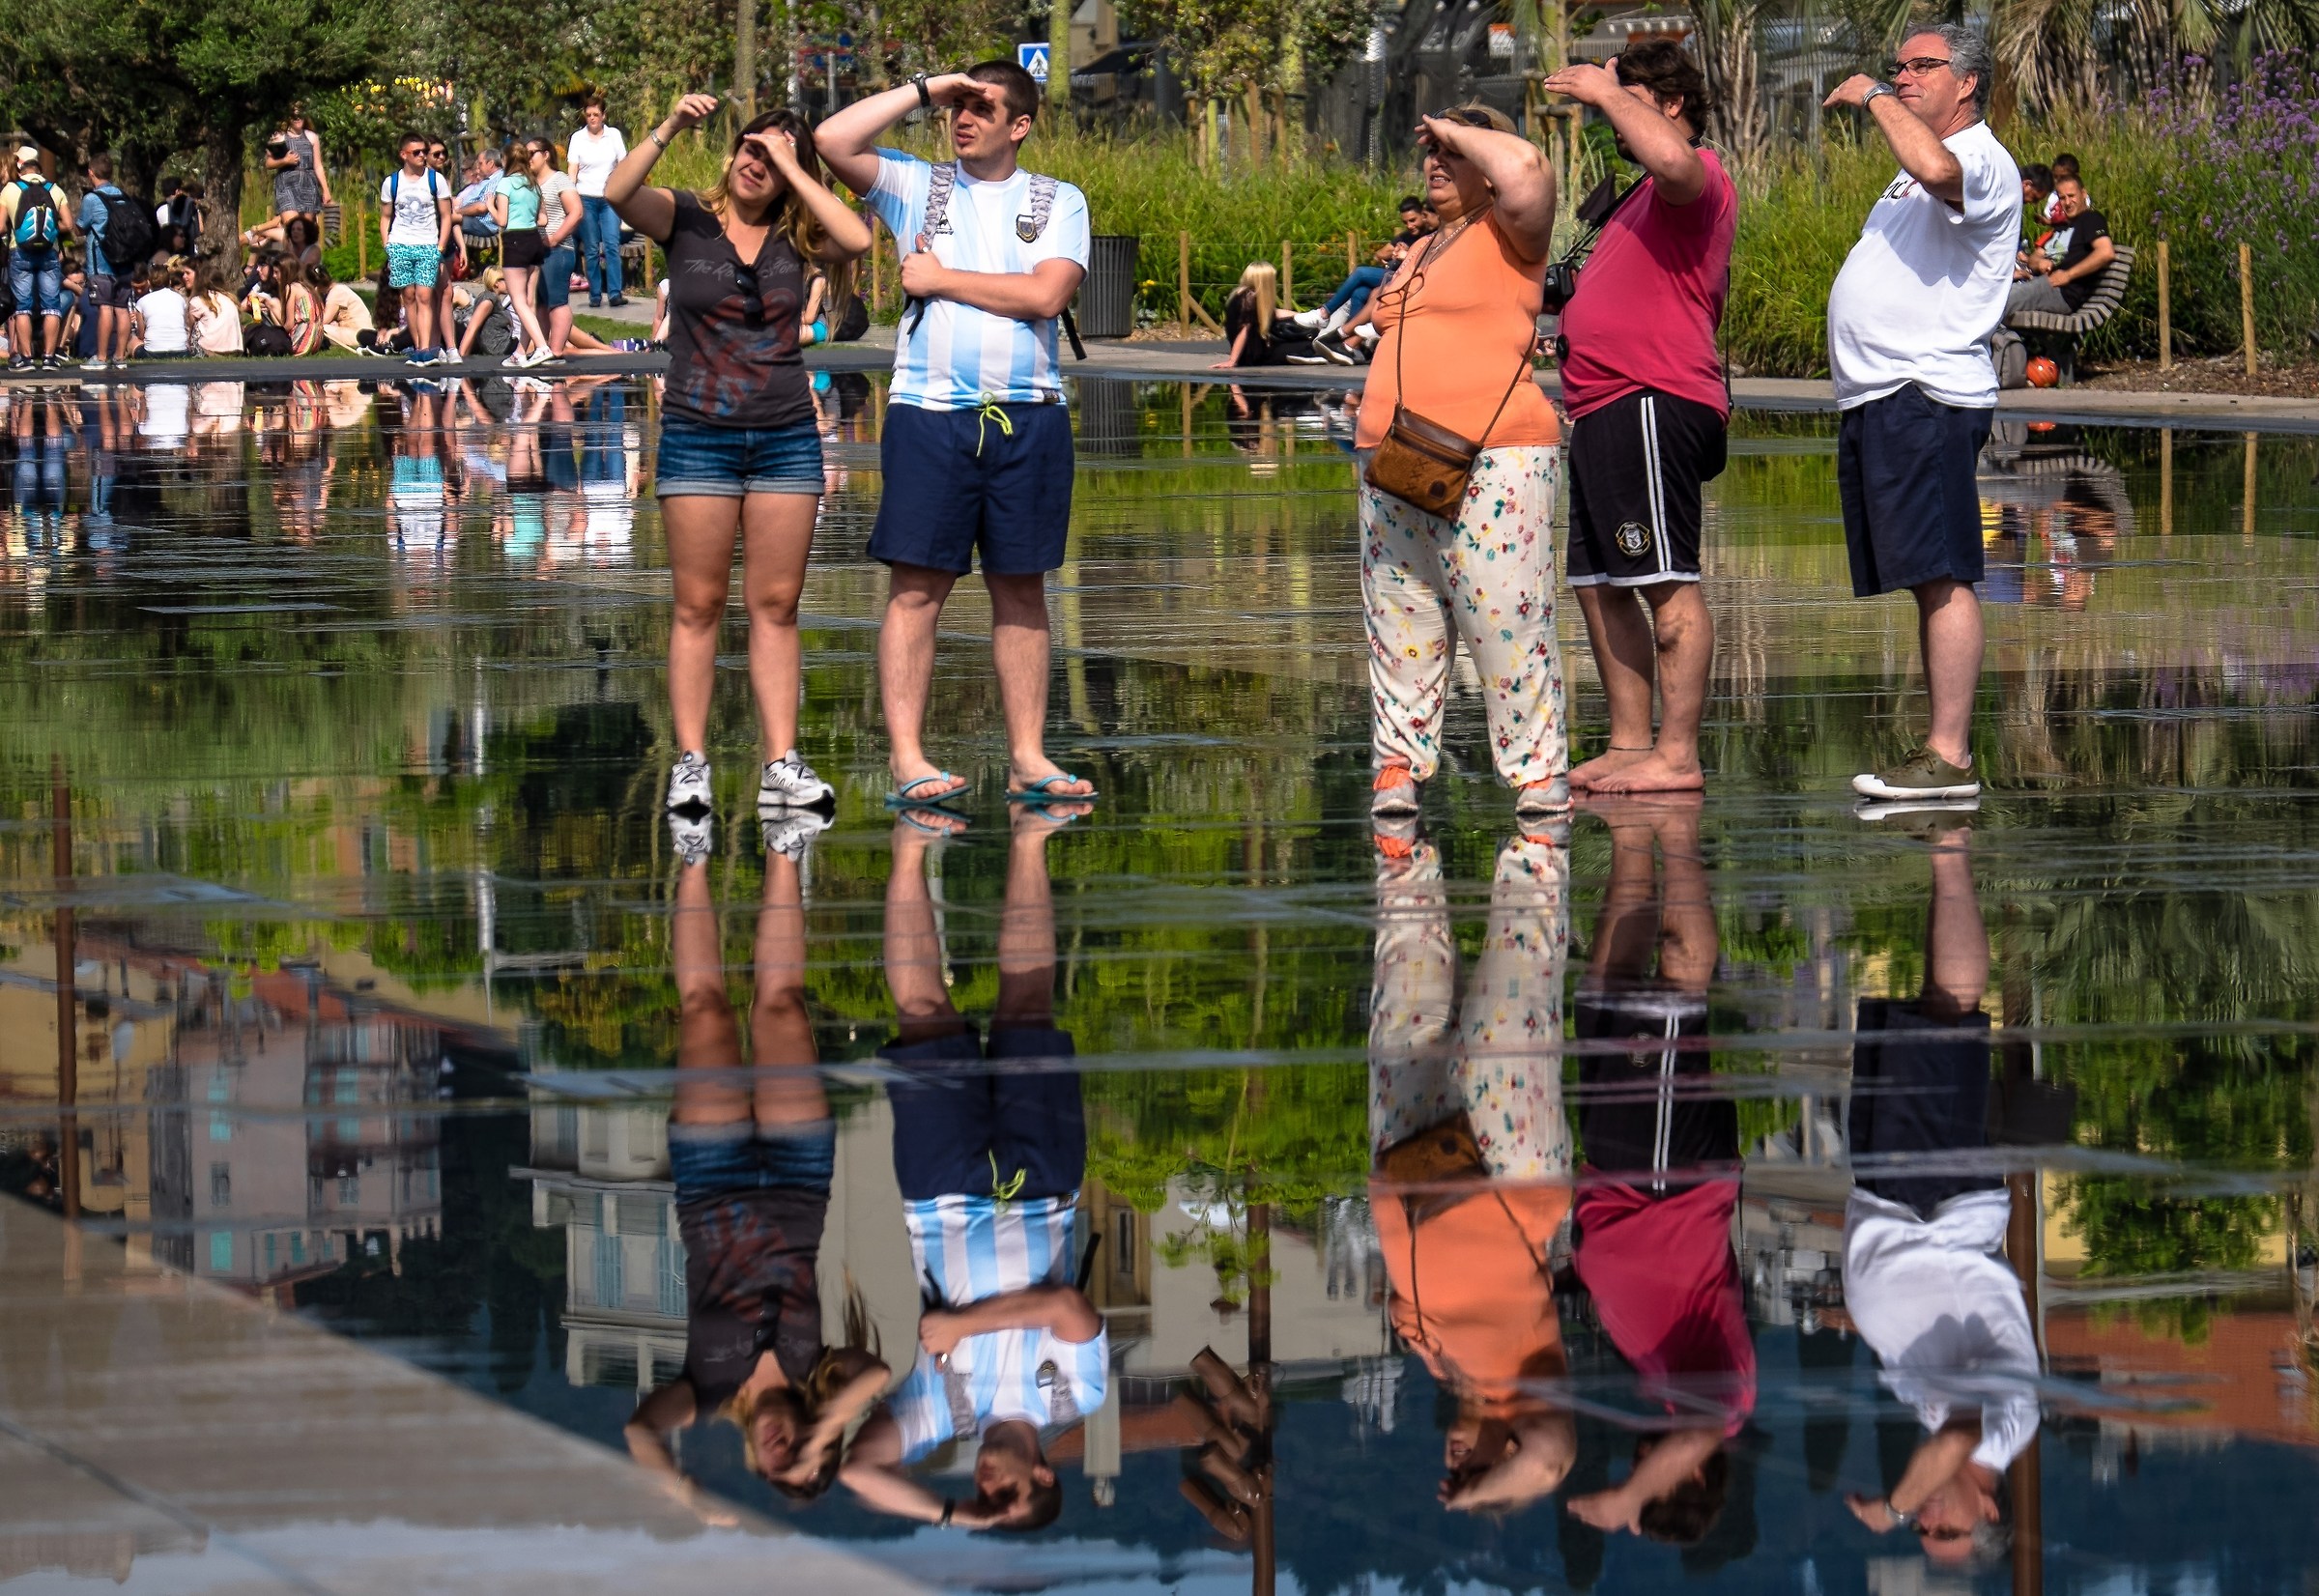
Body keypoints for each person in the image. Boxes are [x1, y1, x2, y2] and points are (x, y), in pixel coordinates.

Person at [816, 61, 1097, 810]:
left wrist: (940, 280)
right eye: (957, 107)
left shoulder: (1058, 199)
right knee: (916, 588)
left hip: (1029, 411)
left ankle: (1028, 757)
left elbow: (1046, 294)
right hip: (929, 413)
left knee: (1023, 588)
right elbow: (830, 139)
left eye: (982, 107)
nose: (963, 118)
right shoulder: (917, 184)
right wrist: (925, 89)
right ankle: (908, 757)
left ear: (1021, 125)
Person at [839, 797, 1103, 1534]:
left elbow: (859, 1471)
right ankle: (1029, 836)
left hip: (941, 1194)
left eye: (984, 1495)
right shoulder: (1073, 1398)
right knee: (1027, 1006)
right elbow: (1067, 1309)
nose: (987, 1485)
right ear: (1042, 1476)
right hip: (1043, 1186)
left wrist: (960, 1517)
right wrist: (963, 1324)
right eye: (1004, 1496)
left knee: (924, 1011)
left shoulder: (944, 1413)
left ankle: (908, 851)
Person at [603, 94, 870, 816]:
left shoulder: (799, 236)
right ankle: (691, 765)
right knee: (699, 605)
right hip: (698, 434)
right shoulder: (686, 215)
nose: (759, 164)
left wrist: (796, 168)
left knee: (776, 606)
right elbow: (617, 193)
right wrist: (669, 126)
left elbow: (856, 238)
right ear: (733, 151)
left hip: (785, 435)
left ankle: (780, 763)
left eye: (775, 158)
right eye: (753, 148)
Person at [621, 813, 888, 1524]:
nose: (785, 1448)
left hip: (710, 1182)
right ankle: (783, 839)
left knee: (705, 1012)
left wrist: (689, 1500)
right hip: (801, 1176)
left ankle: (693, 848)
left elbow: (640, 1432)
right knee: (780, 1006)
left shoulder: (708, 1392)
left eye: (779, 1465)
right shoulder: (822, 1373)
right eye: (804, 1453)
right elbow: (879, 1374)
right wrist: (825, 1433)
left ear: (754, 1460)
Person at [1823, 24, 2019, 803]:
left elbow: (1937, 168)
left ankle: (1950, 755)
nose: (1903, 76)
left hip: (1925, 392)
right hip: (1887, 393)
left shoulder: (1977, 158)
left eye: (1921, 66)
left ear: (1966, 82)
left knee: (1943, 573)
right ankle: (1943, 749)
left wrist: (1873, 95)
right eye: (1896, 67)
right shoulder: (1917, 169)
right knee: (1925, 577)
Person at [1840, 816, 2038, 1571]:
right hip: (1934, 1210)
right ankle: (1951, 845)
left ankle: (1945, 846)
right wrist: (1890, 1510)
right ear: (1989, 1510)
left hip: (1897, 1199)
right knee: (1952, 1014)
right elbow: (1955, 1439)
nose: (1927, 1519)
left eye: (1923, 1529)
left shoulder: (1949, 1427)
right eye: (1944, 1529)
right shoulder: (2002, 1434)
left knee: (1933, 1008)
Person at [1357, 105, 1563, 822]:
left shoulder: (1511, 232)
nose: (1437, 162)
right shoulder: (1424, 245)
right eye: (1432, 151)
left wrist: (1458, 129)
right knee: (1400, 619)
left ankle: (1537, 774)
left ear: (1488, 161)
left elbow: (1528, 169)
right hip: (1395, 457)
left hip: (1495, 455)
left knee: (1504, 620)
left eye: (1454, 152)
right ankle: (1398, 765)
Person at [1544, 43, 1737, 796]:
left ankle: (1677, 754)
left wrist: (1603, 90)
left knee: (1664, 580)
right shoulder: (1639, 195)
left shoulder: (1696, 174)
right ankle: (1630, 744)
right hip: (1603, 407)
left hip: (1651, 397)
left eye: (1629, 97)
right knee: (1600, 584)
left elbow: (1675, 160)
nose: (1612, 114)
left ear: (1671, 103)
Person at [1367, 820, 1574, 1515]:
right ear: (1508, 1455)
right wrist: (1478, 1498)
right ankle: (1539, 827)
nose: (1455, 1466)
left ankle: (1400, 838)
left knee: (1406, 992)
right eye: (1475, 1472)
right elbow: (1552, 1458)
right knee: (1513, 993)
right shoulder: (1530, 1390)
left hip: (1408, 1166)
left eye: (1455, 1475)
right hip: (1510, 1181)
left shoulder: (1440, 1363)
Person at [1563, 795, 1754, 1547]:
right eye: (1652, 1477)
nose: (1637, 1461)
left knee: (1606, 988)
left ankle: (1633, 823)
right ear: (1697, 1477)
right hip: (1664, 1182)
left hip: (1621, 1174)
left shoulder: (1669, 1393)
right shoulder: (1722, 1410)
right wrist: (1626, 1501)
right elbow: (1700, 1433)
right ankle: (1676, 827)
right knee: (1677, 989)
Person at [1291, 196, 1429, 357]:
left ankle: (1324, 313)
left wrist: (1407, 254)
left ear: (1423, 215)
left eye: (1413, 220)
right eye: (1405, 222)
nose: (1410, 226)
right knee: (1360, 292)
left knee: (1361, 273)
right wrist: (1395, 251)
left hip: (1408, 278)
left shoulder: (1429, 235)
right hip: (1393, 274)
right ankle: (1352, 346)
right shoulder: (1406, 236)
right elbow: (1380, 254)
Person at [379, 131, 454, 366]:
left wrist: (440, 246)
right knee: (408, 297)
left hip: (427, 243)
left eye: (424, 151)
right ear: (404, 155)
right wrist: (388, 244)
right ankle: (417, 345)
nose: (422, 155)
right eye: (417, 152)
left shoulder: (435, 180)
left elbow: (446, 215)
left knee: (424, 295)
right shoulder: (392, 182)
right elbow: (385, 216)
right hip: (400, 243)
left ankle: (426, 350)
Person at [4, 149, 75, 370]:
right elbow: (68, 224)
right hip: (48, 253)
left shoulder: (10, 189)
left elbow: (0, 227)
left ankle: (26, 359)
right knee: (51, 306)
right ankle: (49, 358)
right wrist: (50, 230)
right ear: (40, 172)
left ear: (22, 171)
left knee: (22, 307)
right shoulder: (55, 189)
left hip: (20, 252)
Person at [2006, 171, 2111, 317]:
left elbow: (2105, 252)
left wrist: (2068, 275)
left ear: (2083, 194)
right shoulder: (2060, 229)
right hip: (2039, 281)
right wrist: (2040, 262)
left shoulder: (2091, 219)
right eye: (2062, 198)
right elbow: (2034, 258)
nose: (2067, 202)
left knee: (1998, 302)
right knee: (1990, 295)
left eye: (2071, 196)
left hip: (2061, 291)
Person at [489, 142, 554, 367]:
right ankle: (521, 352)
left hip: (515, 241)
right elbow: (543, 219)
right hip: (533, 239)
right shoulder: (533, 184)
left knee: (517, 300)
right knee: (529, 301)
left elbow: (502, 220)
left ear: (506, 161)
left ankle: (542, 346)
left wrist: (490, 206)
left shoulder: (505, 183)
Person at [569, 96, 631, 307]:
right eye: (588, 115)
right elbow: (573, 169)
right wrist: (570, 195)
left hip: (609, 199)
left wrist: (622, 189)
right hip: (585, 197)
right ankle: (595, 294)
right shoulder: (578, 138)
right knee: (592, 248)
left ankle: (614, 293)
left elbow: (623, 164)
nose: (592, 118)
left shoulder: (613, 135)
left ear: (604, 115)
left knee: (612, 244)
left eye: (596, 114)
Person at [76, 154, 135, 376]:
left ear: (91, 172)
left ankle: (101, 357)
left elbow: (80, 227)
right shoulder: (123, 196)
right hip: (124, 262)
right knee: (122, 308)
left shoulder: (92, 199)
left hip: (101, 263)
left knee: (105, 307)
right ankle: (120, 357)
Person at [529, 138, 584, 359]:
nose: (527, 158)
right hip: (537, 253)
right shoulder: (529, 183)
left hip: (559, 250)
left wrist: (554, 239)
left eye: (531, 153)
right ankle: (543, 350)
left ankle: (557, 351)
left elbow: (576, 212)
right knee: (541, 303)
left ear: (546, 154)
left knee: (557, 301)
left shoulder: (559, 179)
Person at [246, 107, 329, 249]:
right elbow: (268, 163)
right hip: (287, 185)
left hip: (308, 186)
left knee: (304, 234)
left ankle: (268, 237)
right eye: (294, 116)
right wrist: (285, 160)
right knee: (294, 230)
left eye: (300, 115)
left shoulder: (312, 137)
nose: (297, 119)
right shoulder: (278, 137)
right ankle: (266, 233)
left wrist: (326, 190)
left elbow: (318, 166)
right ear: (288, 118)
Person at [1212, 261, 1292, 368]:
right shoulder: (1249, 299)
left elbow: (1273, 312)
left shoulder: (1241, 294)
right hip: (1253, 354)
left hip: (1249, 352)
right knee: (1301, 346)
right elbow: (1244, 329)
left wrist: (1303, 315)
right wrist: (1232, 360)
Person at [309, 260, 374, 352]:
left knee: (319, 328)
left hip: (359, 333)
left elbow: (324, 320)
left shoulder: (336, 293)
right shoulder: (338, 289)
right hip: (356, 331)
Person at [131, 262, 189, 357]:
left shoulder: (142, 302)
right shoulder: (180, 299)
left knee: (132, 340)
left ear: (149, 282)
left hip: (152, 352)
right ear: (169, 282)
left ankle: (120, 357)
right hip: (180, 351)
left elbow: (141, 335)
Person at [186, 261, 243, 356]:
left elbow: (190, 328)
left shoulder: (197, 301)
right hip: (234, 350)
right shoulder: (230, 299)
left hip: (209, 350)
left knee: (193, 327)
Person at [456, 149, 502, 249]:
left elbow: (482, 207)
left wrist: (458, 211)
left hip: (484, 224)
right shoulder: (490, 179)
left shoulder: (496, 180)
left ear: (490, 164)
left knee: (448, 219)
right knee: (446, 219)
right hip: (475, 219)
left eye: (480, 164)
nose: (478, 169)